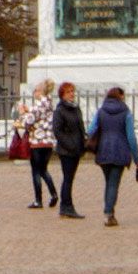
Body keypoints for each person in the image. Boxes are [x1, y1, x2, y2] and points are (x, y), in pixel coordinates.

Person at [89, 85, 138, 225]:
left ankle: (108, 211)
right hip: (120, 150)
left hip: (103, 149)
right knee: (113, 183)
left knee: (108, 182)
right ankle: (108, 213)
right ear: (121, 97)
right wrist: (137, 158)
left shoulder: (101, 111)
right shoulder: (126, 112)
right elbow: (131, 137)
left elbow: (90, 129)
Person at [50, 89, 89, 224]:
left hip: (76, 149)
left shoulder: (75, 108)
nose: (72, 94)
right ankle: (66, 206)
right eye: (68, 92)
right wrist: (70, 144)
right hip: (67, 150)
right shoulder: (60, 110)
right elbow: (57, 130)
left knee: (70, 178)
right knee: (67, 178)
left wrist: (83, 141)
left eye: (72, 91)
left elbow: (80, 126)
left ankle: (67, 206)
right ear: (62, 95)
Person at [22, 85, 59, 210]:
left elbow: (28, 122)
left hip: (37, 142)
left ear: (41, 92)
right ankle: (53, 193)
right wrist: (29, 112)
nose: (34, 92)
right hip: (48, 141)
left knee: (36, 171)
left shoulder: (38, 105)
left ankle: (38, 200)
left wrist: (24, 114)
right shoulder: (49, 104)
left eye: (36, 90)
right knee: (44, 169)